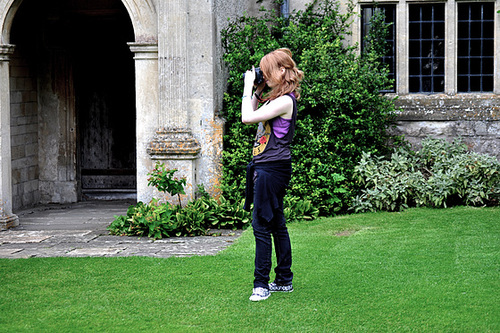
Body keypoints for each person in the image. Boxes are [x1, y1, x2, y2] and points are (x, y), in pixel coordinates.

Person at [241, 48, 304, 301]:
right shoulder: (276, 99)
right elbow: (254, 111)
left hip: (271, 169)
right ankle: (284, 280)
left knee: (261, 225)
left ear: (281, 71)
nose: (264, 76)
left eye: (267, 72)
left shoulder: (285, 100)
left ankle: (261, 285)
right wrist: (256, 90)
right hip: (270, 167)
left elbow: (247, 117)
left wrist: (247, 87)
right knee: (276, 224)